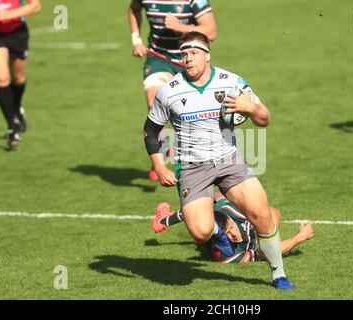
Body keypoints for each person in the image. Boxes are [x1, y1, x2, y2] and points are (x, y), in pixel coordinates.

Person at [143, 31, 295, 289]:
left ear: (206, 56)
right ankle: (216, 225)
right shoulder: (168, 91)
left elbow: (264, 118)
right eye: (184, 55)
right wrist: (159, 165)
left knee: (262, 214)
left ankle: (278, 274)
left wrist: (252, 108)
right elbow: (150, 130)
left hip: (229, 160)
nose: (187, 59)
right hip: (192, 167)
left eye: (193, 54)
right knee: (200, 232)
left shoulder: (232, 82)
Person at [128, 0, 217, 180]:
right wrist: (136, 39)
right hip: (158, 57)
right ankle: (159, 162)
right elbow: (134, 9)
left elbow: (211, 31)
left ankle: (198, 161)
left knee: (191, 114)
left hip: (190, 60)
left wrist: (180, 27)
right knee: (155, 104)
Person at [151, 192, 314, 264]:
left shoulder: (230, 209)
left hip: (221, 214)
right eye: (227, 234)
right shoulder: (228, 256)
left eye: (231, 228)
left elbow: (215, 198)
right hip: (220, 240)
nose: (233, 235)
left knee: (273, 213)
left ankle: (165, 220)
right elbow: (265, 254)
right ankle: (198, 235)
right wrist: (300, 237)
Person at [0, 0, 41, 149]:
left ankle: (16, 107)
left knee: (19, 78)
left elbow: (36, 6)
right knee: (2, 78)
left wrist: (10, 14)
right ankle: (13, 126)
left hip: (17, 33)